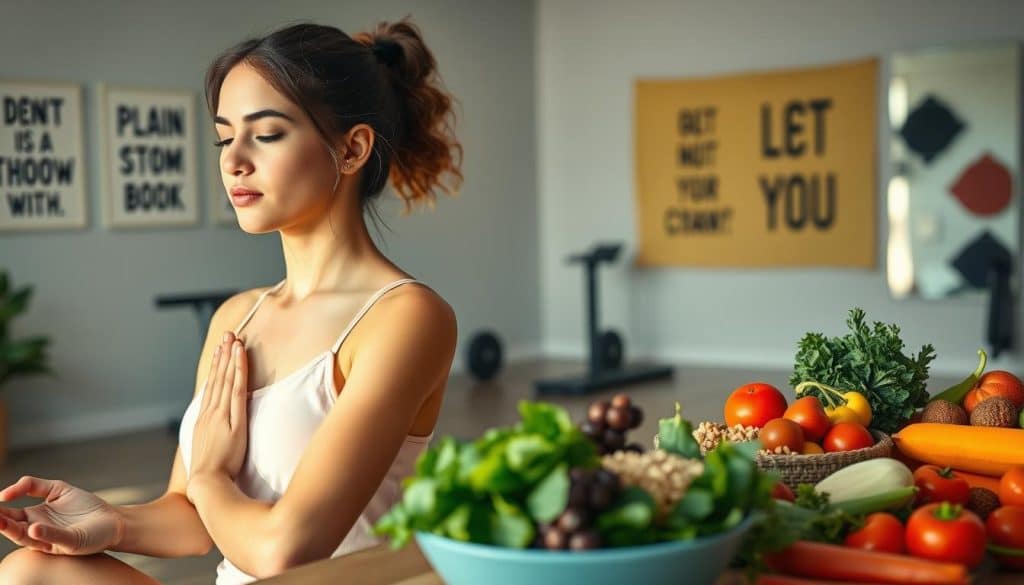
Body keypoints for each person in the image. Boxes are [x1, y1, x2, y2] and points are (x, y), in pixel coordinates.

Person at [0, 18, 462, 584]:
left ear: (351, 148)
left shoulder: (405, 318)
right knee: (30, 570)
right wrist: (113, 519)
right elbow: (196, 521)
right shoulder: (237, 317)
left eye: (265, 134)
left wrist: (210, 476)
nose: (232, 160)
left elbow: (281, 552)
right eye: (224, 137)